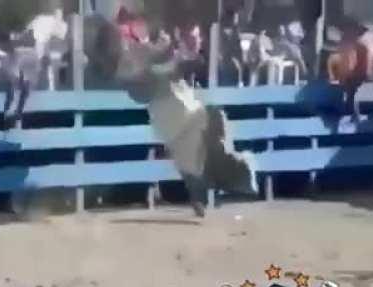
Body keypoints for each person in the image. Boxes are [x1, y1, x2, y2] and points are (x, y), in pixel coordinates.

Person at [84, 13, 257, 218]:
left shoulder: (130, 56)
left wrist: (174, 54)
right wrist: (174, 59)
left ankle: (205, 188)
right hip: (168, 107)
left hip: (172, 105)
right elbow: (153, 70)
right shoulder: (127, 61)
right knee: (191, 146)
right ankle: (207, 187)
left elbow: (159, 61)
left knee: (193, 146)